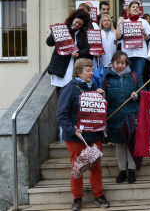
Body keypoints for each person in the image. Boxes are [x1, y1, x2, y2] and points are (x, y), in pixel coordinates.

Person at [56, 58, 109, 211]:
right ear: (78, 72)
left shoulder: (94, 87)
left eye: (92, 70)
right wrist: (72, 130)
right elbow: (61, 114)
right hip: (76, 138)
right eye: (88, 70)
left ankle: (98, 195)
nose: (92, 73)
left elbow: (99, 111)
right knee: (78, 168)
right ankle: (77, 198)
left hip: (94, 135)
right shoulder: (69, 89)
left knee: (96, 166)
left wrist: (103, 98)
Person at [100, 51, 144, 183]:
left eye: (122, 63)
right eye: (117, 62)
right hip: (115, 116)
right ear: (112, 63)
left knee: (131, 143)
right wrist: (100, 93)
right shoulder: (107, 77)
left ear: (126, 63)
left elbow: (143, 91)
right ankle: (122, 170)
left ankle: (131, 170)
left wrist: (138, 95)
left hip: (132, 115)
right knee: (119, 144)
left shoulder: (135, 76)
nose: (120, 65)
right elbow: (102, 93)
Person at [46, 9, 92, 87]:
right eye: (76, 22)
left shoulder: (83, 34)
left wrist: (78, 54)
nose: (77, 25)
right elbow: (49, 43)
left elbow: (86, 49)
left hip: (74, 64)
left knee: (71, 88)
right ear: (72, 19)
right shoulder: (63, 28)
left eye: (80, 24)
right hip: (60, 64)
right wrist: (54, 31)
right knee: (60, 88)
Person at [116, 1, 150, 77]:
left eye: (137, 7)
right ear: (129, 9)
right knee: (128, 76)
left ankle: (138, 89)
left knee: (138, 76)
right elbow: (118, 37)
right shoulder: (124, 22)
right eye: (133, 7)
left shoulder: (144, 22)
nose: (135, 8)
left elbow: (148, 39)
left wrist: (144, 32)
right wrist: (118, 24)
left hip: (141, 54)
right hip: (127, 54)